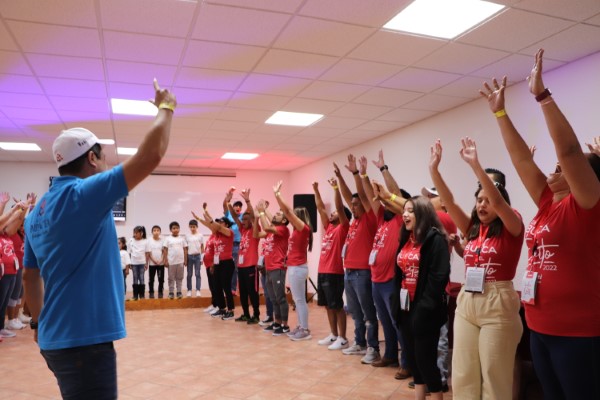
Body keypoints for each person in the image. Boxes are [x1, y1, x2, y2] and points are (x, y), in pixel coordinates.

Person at [22, 79, 176, 399]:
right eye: (103, 157)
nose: (105, 163)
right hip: (84, 343)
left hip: (55, 338)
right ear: (92, 158)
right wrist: (166, 107)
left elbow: (30, 275)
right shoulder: (83, 195)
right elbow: (150, 157)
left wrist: (37, 324)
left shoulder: (36, 212)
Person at [480, 49, 600, 399]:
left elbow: (569, 151)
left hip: (578, 332)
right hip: (539, 327)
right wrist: (500, 113)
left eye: (563, 170)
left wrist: (542, 97)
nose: (555, 169)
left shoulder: (587, 205)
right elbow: (519, 158)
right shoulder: (547, 203)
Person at [429, 138, 524, 399]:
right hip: (468, 302)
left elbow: (500, 202)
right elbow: (448, 201)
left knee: (494, 379)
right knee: (464, 376)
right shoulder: (473, 228)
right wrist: (434, 170)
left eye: (488, 200)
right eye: (479, 200)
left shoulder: (512, 224)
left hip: (497, 304)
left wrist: (475, 166)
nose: (482, 204)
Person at [357, 152, 411, 373]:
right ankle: (390, 355)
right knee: (385, 322)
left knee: (398, 323)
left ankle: (407, 363)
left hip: (391, 280)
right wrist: (361, 175)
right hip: (376, 280)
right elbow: (368, 196)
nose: (385, 203)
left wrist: (383, 169)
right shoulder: (382, 218)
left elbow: (396, 194)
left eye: (390, 202)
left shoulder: (401, 219)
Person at [396, 196, 450, 400]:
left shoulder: (435, 239)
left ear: (423, 213)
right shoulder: (406, 239)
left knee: (427, 363)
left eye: (410, 211)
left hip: (425, 312)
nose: (405, 215)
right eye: (404, 211)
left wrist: (423, 309)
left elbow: (438, 278)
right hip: (406, 308)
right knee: (414, 361)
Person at [335, 155, 380, 365]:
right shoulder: (354, 222)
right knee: (355, 312)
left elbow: (363, 195)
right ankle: (359, 343)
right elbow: (348, 197)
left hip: (363, 273)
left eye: (356, 204)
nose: (353, 207)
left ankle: (372, 347)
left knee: (368, 312)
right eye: (351, 205)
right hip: (349, 272)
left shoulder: (370, 219)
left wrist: (357, 174)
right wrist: (340, 182)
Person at [273, 180, 313, 341]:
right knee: (297, 299)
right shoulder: (297, 231)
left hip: (298, 268)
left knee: (299, 300)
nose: (291, 217)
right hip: (295, 267)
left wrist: (278, 195)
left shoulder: (303, 228)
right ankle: (300, 326)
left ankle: (304, 329)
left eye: (295, 215)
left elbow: (287, 211)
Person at [313, 179, 350, 350]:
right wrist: (316, 190)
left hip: (335, 272)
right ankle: (333, 334)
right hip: (323, 271)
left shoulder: (343, 228)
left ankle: (343, 338)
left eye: (335, 212)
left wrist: (336, 188)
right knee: (328, 305)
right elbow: (320, 208)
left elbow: (341, 209)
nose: (332, 213)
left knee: (337, 306)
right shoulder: (329, 227)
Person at [254, 199, 290, 336]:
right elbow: (256, 235)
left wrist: (263, 211)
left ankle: (285, 325)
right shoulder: (273, 230)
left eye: (279, 214)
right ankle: (277, 322)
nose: (275, 215)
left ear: (284, 220)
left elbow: (268, 227)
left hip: (278, 267)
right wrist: (257, 218)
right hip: (268, 268)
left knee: (280, 297)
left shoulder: (283, 230)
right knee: (273, 298)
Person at [193, 207, 236, 320]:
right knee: (217, 286)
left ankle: (230, 310)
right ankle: (221, 308)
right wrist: (202, 216)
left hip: (227, 263)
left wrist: (209, 217)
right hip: (217, 263)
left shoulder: (229, 232)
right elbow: (210, 225)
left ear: (226, 224)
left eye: (221, 222)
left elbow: (214, 224)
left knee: (226, 287)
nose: (219, 224)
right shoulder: (217, 235)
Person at [227, 189, 261, 324]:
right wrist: (228, 202)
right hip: (241, 266)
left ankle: (256, 315)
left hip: (251, 267)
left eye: (247, 219)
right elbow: (235, 217)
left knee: (252, 293)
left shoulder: (254, 230)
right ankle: (246, 314)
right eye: (243, 219)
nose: (244, 221)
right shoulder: (243, 230)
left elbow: (252, 215)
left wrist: (247, 201)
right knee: (244, 293)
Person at [1, 198, 31, 339]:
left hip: (13, 269)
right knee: (3, 300)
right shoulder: (5, 232)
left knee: (10, 297)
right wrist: (15, 208)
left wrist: (24, 209)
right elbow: (4, 220)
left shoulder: (7, 234)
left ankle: (3, 326)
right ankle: (8, 322)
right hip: (5, 271)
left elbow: (17, 222)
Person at [223, 189, 243, 295]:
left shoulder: (243, 216)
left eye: (240, 206)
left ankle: (233, 289)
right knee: (227, 267)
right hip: (227, 245)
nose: (238, 207)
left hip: (239, 245)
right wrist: (227, 199)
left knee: (236, 268)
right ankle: (227, 288)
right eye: (236, 205)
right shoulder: (228, 215)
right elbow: (224, 206)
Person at [163, 221, 188, 300]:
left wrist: (185, 260)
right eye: (174, 228)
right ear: (171, 230)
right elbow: (165, 250)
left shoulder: (182, 239)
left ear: (179, 229)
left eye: (177, 228)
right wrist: (165, 260)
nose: (175, 230)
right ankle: (171, 292)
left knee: (179, 277)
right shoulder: (167, 239)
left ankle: (179, 292)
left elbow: (185, 250)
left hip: (180, 262)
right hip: (171, 262)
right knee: (171, 278)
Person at [186, 219, 205, 297]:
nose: (192, 228)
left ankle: (198, 290)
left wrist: (202, 258)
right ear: (189, 227)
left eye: (194, 227)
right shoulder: (187, 236)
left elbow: (202, 247)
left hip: (197, 256)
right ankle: (189, 290)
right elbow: (186, 248)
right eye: (191, 227)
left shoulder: (200, 235)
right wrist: (185, 258)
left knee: (197, 274)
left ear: (197, 227)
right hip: (189, 256)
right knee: (189, 274)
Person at [128, 225, 148, 300]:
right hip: (134, 263)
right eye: (134, 232)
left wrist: (146, 264)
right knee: (135, 278)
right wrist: (129, 263)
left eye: (136, 233)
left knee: (142, 278)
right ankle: (135, 295)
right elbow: (129, 252)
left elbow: (147, 253)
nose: (135, 234)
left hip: (142, 262)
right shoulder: (131, 240)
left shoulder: (145, 241)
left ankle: (142, 295)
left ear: (141, 233)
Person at [146, 225, 165, 299]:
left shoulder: (162, 240)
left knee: (161, 279)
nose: (156, 232)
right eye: (154, 230)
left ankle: (160, 292)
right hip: (152, 264)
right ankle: (151, 292)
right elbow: (149, 253)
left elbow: (164, 252)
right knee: (151, 279)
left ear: (160, 232)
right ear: (152, 232)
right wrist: (154, 260)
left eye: (158, 230)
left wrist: (161, 260)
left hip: (161, 263)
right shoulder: (149, 240)